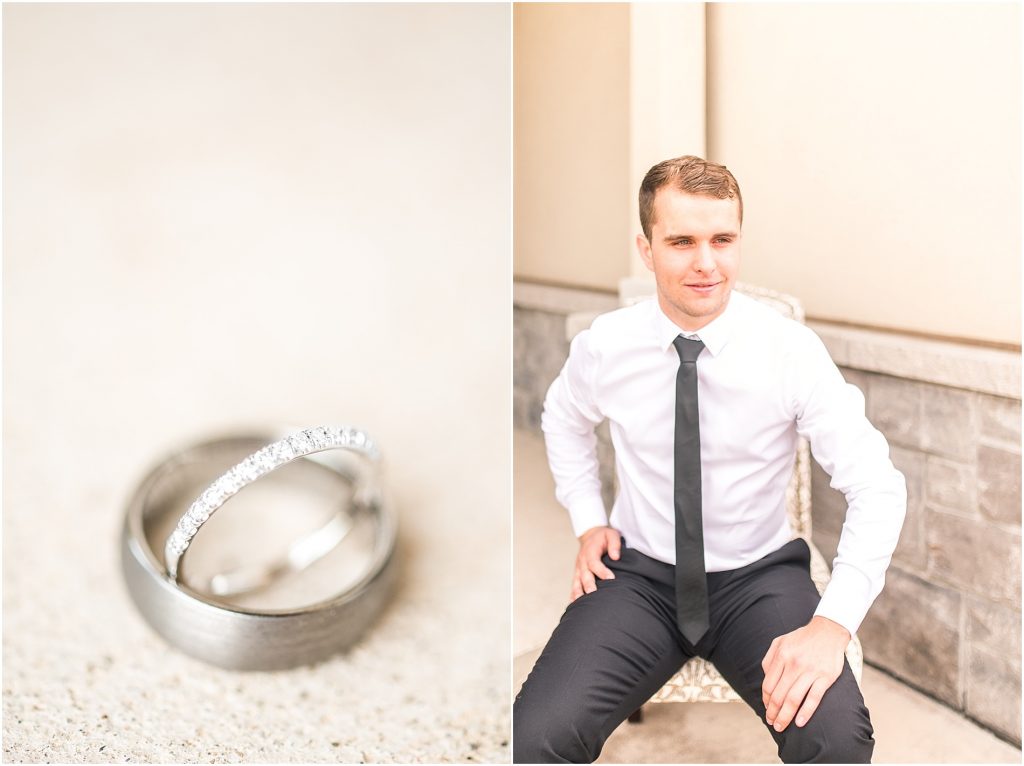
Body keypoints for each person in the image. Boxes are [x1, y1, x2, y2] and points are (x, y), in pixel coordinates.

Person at [513, 155, 907, 764]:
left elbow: (877, 486)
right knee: (533, 736)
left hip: (759, 579)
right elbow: (562, 418)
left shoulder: (789, 351)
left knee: (835, 740)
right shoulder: (605, 346)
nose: (706, 262)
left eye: (723, 239)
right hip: (637, 578)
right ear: (646, 249)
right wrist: (588, 519)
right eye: (681, 241)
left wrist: (832, 626)